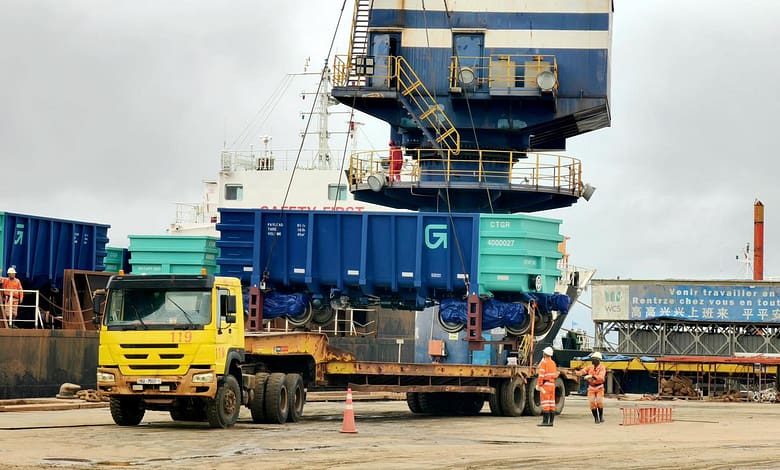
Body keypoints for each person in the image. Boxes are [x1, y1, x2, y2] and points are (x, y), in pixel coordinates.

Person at [576, 351, 607, 423]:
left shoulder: (602, 368)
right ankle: (596, 418)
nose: (593, 360)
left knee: (599, 402)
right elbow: (582, 372)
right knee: (592, 403)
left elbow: (601, 377)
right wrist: (575, 373)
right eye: (592, 359)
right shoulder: (590, 367)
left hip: (599, 387)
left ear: (598, 360)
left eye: (594, 359)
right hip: (591, 387)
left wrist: (592, 376)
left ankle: (601, 416)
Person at [536, 346, 559, 427]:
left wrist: (539, 385)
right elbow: (555, 375)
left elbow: (541, 375)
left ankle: (545, 421)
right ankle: (551, 422)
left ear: (545, 354)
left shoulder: (544, 363)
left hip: (545, 385)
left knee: (545, 403)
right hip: (552, 385)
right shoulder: (553, 363)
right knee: (551, 403)